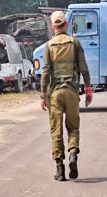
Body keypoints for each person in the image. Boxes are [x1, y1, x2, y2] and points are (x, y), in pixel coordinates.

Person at [40, 11, 93, 181]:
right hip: (71, 92)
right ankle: (73, 155)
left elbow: (46, 71)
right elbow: (83, 68)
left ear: (52, 26)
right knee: (73, 127)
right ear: (66, 25)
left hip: (55, 94)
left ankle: (60, 169)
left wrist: (42, 94)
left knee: (56, 130)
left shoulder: (48, 46)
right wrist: (88, 89)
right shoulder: (75, 43)